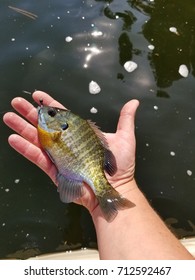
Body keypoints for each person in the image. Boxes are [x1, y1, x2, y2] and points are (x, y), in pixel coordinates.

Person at [3, 90, 194, 260]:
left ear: (62, 126)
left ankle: (108, 199)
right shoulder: (53, 131)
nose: (45, 112)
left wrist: (121, 184)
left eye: (51, 113)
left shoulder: (54, 132)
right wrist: (123, 185)